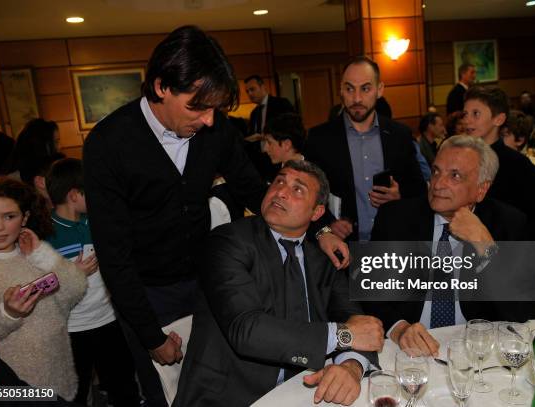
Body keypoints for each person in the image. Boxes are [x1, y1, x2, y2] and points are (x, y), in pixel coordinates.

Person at [83, 25, 346, 407]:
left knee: (219, 383)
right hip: (146, 292)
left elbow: (252, 189)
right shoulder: (108, 144)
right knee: (164, 393)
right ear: (161, 87)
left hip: (209, 278)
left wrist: (319, 229)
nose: (209, 120)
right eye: (197, 106)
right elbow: (114, 254)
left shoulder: (215, 129)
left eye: (215, 109)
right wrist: (151, 336)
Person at [174, 160, 383, 407]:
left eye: (298, 189)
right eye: (279, 181)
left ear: (316, 213)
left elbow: (360, 325)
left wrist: (351, 366)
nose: (281, 191)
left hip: (302, 392)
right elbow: (247, 330)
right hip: (227, 397)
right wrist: (342, 335)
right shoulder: (228, 242)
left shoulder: (323, 258)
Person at [368, 136, 535, 355]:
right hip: (409, 347)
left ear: (481, 189)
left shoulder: (508, 224)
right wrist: (399, 328)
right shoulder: (396, 218)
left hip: (477, 349)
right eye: (436, 171)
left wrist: (484, 245)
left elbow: (522, 314)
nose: (437, 184)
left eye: (454, 175)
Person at [45, 158, 141, 406]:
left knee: (124, 388)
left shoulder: (98, 222)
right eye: (92, 191)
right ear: (75, 195)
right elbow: (37, 289)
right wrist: (71, 274)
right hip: (70, 331)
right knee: (74, 394)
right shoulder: (45, 236)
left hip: (109, 321)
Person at [306, 56, 426, 242]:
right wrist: (328, 226)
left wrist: (400, 195)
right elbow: (309, 195)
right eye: (349, 89)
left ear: (379, 90)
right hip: (344, 248)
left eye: (365, 88)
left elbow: (419, 189)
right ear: (340, 91)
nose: (357, 98)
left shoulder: (399, 135)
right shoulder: (319, 139)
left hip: (393, 244)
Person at [0, 177, 87, 400]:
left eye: (9, 216)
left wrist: (42, 253)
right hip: (14, 387)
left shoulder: (33, 254)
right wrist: (8, 315)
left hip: (59, 375)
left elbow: (77, 289)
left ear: (25, 218)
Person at [463, 86, 535, 240]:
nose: (467, 120)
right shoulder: (459, 158)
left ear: (499, 119)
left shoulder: (519, 166)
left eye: (476, 114)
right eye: (465, 114)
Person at [244, 75, 294, 182]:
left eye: (252, 89)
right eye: (247, 91)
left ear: (262, 87)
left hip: (280, 156)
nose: (250, 94)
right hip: (261, 163)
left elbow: (291, 128)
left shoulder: (281, 103)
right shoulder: (254, 113)